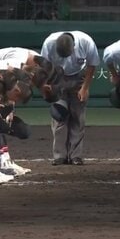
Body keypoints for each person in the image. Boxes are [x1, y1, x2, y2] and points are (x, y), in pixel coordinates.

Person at [40, 31, 100, 166]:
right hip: (57, 77)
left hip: (79, 77)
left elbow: (92, 65)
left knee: (78, 117)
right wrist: (47, 85)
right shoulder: (49, 43)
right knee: (59, 116)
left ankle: (75, 156)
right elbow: (44, 66)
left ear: (74, 47)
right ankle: (59, 156)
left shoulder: (86, 42)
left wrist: (85, 88)